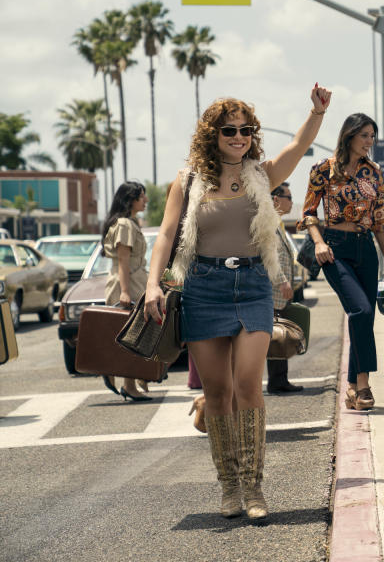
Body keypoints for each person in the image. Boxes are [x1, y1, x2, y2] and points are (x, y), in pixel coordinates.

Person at [145, 86, 331, 520]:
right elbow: (168, 236)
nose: (238, 136)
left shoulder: (262, 174)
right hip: (204, 286)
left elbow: (299, 145)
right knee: (217, 392)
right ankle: (229, 486)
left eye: (246, 130)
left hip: (251, 285)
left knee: (249, 384)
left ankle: (254, 488)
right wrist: (154, 283)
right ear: (213, 134)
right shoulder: (188, 180)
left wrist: (316, 112)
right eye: (229, 130)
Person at [300, 113, 384, 413]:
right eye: (365, 135)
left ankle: (354, 389)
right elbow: (308, 213)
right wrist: (318, 242)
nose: (370, 142)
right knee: (361, 310)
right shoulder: (323, 170)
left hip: (365, 248)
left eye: (372, 136)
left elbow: (380, 221)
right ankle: (363, 384)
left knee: (364, 319)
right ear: (349, 135)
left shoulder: (374, 172)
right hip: (334, 249)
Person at [100, 181, 151, 401]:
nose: (146, 200)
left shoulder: (130, 222)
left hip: (135, 281)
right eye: (142, 196)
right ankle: (115, 373)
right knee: (130, 335)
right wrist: (124, 291)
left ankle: (131, 383)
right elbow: (123, 260)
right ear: (130, 200)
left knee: (134, 336)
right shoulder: (124, 225)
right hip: (128, 284)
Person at [267, 182, 304, 395]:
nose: (291, 201)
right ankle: (277, 381)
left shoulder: (278, 223)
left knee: (278, 336)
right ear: (275, 199)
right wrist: (282, 280)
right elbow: (269, 257)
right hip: (272, 291)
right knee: (275, 336)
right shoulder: (269, 224)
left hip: (278, 293)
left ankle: (279, 379)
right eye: (288, 197)